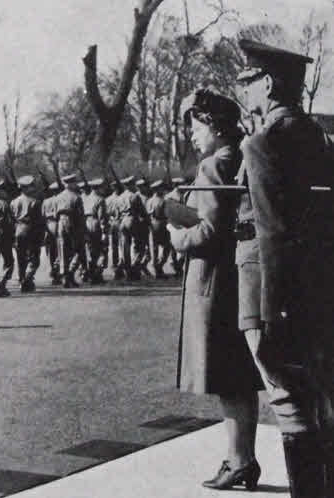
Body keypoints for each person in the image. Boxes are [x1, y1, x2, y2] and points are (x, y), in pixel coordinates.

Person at [233, 39, 334, 496]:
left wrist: (274, 316)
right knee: (324, 400)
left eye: (248, 82)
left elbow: (273, 234)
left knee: (290, 403)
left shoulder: (263, 142)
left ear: (268, 84)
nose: (244, 91)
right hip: (322, 290)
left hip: (279, 294)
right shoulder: (317, 137)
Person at [167, 87, 264, 492]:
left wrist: (175, 233)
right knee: (239, 374)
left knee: (226, 378)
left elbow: (207, 231)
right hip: (237, 277)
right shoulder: (242, 158)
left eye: (197, 125)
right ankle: (242, 457)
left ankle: (239, 461)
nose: (193, 134)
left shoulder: (213, 165)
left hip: (212, 281)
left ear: (215, 125)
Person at [11, 175, 41, 292]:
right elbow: (38, 220)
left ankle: (21, 278)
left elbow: (12, 219)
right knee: (34, 258)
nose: (33, 189)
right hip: (30, 229)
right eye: (31, 186)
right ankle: (27, 279)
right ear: (26, 188)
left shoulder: (14, 202)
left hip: (18, 229)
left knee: (20, 257)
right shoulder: (35, 202)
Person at [56, 174, 86, 288]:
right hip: (73, 222)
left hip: (61, 222)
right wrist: (83, 229)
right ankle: (71, 273)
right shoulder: (76, 197)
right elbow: (80, 215)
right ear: (72, 184)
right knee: (78, 250)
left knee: (63, 250)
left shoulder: (58, 197)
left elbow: (55, 213)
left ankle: (65, 276)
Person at [82, 178, 107, 284]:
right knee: (101, 249)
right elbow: (101, 217)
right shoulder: (100, 199)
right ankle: (97, 274)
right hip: (95, 223)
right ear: (99, 188)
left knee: (90, 250)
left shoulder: (85, 198)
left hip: (86, 223)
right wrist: (104, 232)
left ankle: (89, 272)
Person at [146, 180, 170, 279]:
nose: (163, 190)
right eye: (161, 188)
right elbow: (168, 214)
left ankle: (155, 268)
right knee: (166, 247)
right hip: (162, 224)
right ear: (158, 189)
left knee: (153, 248)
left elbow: (147, 214)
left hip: (152, 224)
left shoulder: (149, 201)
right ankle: (159, 266)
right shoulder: (164, 201)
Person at [42, 181, 62, 285]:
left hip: (48, 225)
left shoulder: (46, 201)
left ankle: (52, 269)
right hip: (58, 224)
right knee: (60, 250)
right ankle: (57, 270)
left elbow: (42, 216)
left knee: (50, 250)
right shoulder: (60, 200)